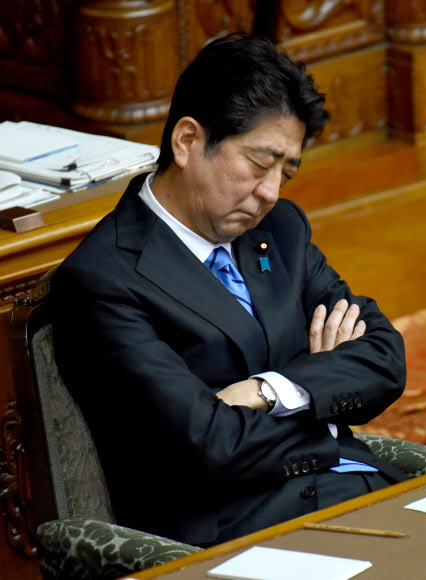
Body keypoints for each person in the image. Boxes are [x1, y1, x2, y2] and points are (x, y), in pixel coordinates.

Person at [51, 33, 407, 548]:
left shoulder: (280, 230)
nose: (271, 192)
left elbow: (383, 355)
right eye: (259, 165)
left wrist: (267, 392)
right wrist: (323, 401)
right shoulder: (103, 279)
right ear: (187, 142)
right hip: (243, 532)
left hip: (361, 488)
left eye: (286, 173)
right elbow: (208, 444)